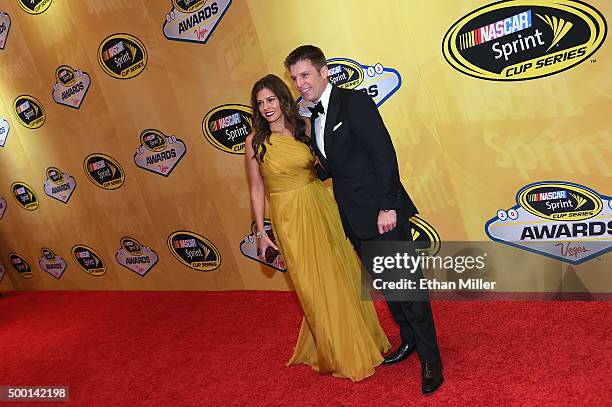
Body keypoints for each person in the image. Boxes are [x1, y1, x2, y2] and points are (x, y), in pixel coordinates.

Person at [285, 45, 444, 395]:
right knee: (389, 287)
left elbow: (383, 153)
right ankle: (409, 340)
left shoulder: (354, 102)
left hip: (381, 213)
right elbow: (334, 169)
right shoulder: (315, 119)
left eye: (305, 75)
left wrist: (388, 207)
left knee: (408, 288)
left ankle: (432, 360)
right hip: (355, 219)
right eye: (294, 78)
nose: (300, 83)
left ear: (324, 71)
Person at [245, 74, 391, 382]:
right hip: (288, 218)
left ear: (282, 99)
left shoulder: (305, 128)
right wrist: (262, 233)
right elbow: (257, 190)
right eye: (260, 103)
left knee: (340, 275)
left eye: (270, 99)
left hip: (320, 207)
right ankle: (337, 351)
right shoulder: (255, 142)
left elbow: (332, 164)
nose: (266, 107)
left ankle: (358, 340)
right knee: (311, 287)